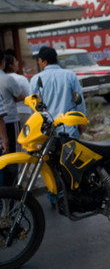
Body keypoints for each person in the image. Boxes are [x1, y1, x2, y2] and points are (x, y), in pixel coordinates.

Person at [30, 46, 86, 138]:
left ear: (44, 62)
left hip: (46, 132)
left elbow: (32, 107)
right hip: (69, 129)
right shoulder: (70, 76)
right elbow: (80, 101)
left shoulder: (35, 80)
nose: (38, 63)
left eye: (39, 61)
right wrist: (80, 122)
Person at [0, 51, 25, 186]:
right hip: (9, 119)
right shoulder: (8, 79)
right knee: (13, 153)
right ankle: (14, 186)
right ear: (3, 63)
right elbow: (20, 96)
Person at [4, 54, 31, 128]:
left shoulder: (2, 79)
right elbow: (29, 95)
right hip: (23, 112)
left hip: (7, 114)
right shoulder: (20, 78)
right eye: (16, 61)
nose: (17, 63)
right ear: (11, 65)